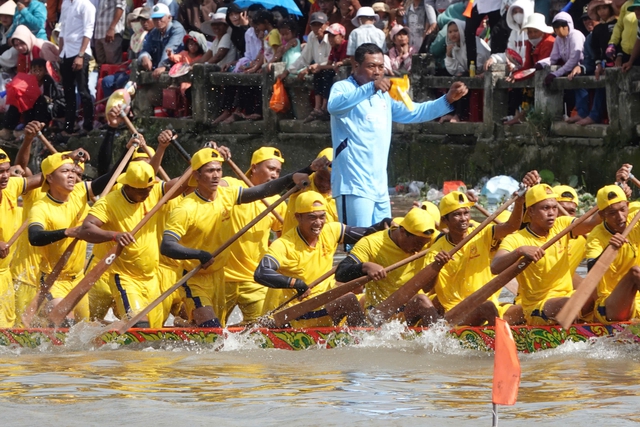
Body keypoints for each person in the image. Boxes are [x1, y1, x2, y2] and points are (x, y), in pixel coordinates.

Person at [160, 146, 319, 327]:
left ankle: (188, 326)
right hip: (194, 278)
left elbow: (264, 190)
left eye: (219, 170)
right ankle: (194, 325)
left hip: (219, 276)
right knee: (212, 329)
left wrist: (296, 175)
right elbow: (167, 246)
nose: (216, 175)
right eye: (210, 171)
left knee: (237, 331)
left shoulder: (227, 195)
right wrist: (198, 254)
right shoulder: (185, 208)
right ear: (196, 175)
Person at [328, 43, 468, 228]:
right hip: (352, 184)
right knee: (356, 243)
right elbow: (334, 106)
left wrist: (447, 99)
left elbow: (414, 112)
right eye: (371, 66)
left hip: (379, 185)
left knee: (384, 242)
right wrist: (370, 88)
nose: (377, 72)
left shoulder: (383, 96)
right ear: (355, 65)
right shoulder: (343, 88)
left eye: (380, 66)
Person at [76, 156, 189, 328]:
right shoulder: (108, 203)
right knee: (139, 325)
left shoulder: (155, 191)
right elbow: (86, 228)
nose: (147, 194)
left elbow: (182, 184)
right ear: (127, 186)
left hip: (152, 278)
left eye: (149, 189)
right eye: (141, 191)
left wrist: (198, 164)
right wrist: (114, 235)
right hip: (125, 278)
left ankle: (110, 332)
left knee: (152, 330)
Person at [255, 191, 390, 327]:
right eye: (312, 217)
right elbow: (261, 273)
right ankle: (362, 340)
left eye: (322, 217)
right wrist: (296, 283)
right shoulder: (284, 245)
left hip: (323, 301)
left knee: (366, 299)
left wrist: (384, 225)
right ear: (298, 217)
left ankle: (357, 333)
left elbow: (367, 233)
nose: (318, 223)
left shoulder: (330, 231)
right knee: (348, 299)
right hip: (297, 311)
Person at [424, 178, 532, 326]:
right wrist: (437, 266)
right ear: (445, 220)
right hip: (457, 313)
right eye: (457, 214)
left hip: (491, 305)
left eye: (466, 213)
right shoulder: (436, 251)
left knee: (529, 310)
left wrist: (519, 203)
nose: (463, 219)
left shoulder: (480, 233)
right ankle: (498, 341)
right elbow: (426, 288)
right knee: (487, 307)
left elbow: (511, 226)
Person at [491, 183, 601, 325]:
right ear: (530, 211)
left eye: (554, 207)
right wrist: (520, 251)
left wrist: (611, 200)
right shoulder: (516, 239)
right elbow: (495, 266)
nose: (551, 213)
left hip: (569, 297)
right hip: (537, 306)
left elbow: (592, 222)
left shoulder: (562, 225)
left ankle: (599, 326)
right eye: (545, 208)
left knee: (601, 295)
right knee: (566, 304)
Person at [219, 147, 288, 326]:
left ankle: (234, 335)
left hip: (255, 279)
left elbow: (285, 240)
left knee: (262, 328)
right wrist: (216, 158)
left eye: (278, 171)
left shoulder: (276, 201)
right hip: (221, 277)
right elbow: (210, 182)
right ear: (254, 168)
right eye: (270, 169)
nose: (274, 175)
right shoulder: (233, 186)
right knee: (210, 330)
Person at [335, 207, 440, 325]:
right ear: (402, 232)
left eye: (424, 244)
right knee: (422, 300)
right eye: (417, 243)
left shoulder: (428, 237)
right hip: (382, 312)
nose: (420, 249)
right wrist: (365, 267)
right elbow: (340, 273)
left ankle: (442, 337)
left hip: (411, 308)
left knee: (430, 301)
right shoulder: (372, 243)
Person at [586, 184, 640, 324]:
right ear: (602, 215)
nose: (620, 217)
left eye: (623, 209)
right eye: (612, 213)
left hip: (637, 301)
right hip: (609, 305)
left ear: (628, 205)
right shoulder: (596, 237)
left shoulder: (636, 221)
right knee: (635, 272)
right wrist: (608, 250)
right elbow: (592, 271)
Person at [503, 12, 555, 125]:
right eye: (530, 32)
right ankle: (517, 114)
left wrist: (518, 75)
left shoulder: (549, 42)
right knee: (514, 84)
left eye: (535, 31)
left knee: (527, 87)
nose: (532, 35)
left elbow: (540, 67)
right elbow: (527, 66)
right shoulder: (530, 43)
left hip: (548, 74)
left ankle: (522, 116)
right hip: (535, 73)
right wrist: (515, 74)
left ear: (543, 31)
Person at [0, 58, 64, 140]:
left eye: (40, 70)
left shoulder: (49, 81)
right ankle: (7, 129)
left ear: (45, 71)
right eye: (35, 70)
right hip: (31, 109)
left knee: (41, 101)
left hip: (46, 109)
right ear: (31, 70)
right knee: (17, 101)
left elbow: (53, 98)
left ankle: (36, 131)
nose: (37, 73)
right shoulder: (27, 81)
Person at [58, 0, 95, 137]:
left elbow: (88, 31)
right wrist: (60, 53)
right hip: (66, 52)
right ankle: (69, 127)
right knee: (68, 92)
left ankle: (88, 126)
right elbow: (63, 30)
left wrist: (80, 55)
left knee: (83, 91)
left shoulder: (86, 5)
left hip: (80, 52)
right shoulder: (66, 3)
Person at [286, 13, 332, 122]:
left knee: (325, 74)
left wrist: (315, 67)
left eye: (320, 25)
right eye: (314, 25)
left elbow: (331, 58)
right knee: (317, 74)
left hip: (330, 68)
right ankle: (317, 108)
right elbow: (305, 57)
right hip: (317, 70)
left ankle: (324, 108)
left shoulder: (331, 36)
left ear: (326, 24)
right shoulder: (311, 36)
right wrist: (289, 70)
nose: (317, 28)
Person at [282, 147, 337, 234]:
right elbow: (286, 183)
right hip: (291, 246)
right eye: (321, 178)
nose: (325, 184)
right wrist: (310, 168)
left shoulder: (341, 197)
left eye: (330, 181)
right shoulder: (303, 183)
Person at [137, 3, 186, 79]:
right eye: (155, 18)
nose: (158, 21)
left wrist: (163, 66)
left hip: (178, 69)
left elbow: (170, 48)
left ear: (169, 18)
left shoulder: (177, 29)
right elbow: (145, 49)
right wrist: (144, 57)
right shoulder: (154, 32)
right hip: (159, 71)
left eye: (160, 18)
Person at [92, 0, 126, 65]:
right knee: (101, 66)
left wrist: (112, 28)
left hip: (111, 33)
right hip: (99, 33)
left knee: (113, 65)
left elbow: (120, 7)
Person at [611, 0, 639, 70]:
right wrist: (630, 61)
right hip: (627, 53)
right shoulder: (626, 5)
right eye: (635, 9)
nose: (636, 12)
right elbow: (639, 40)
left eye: (639, 9)